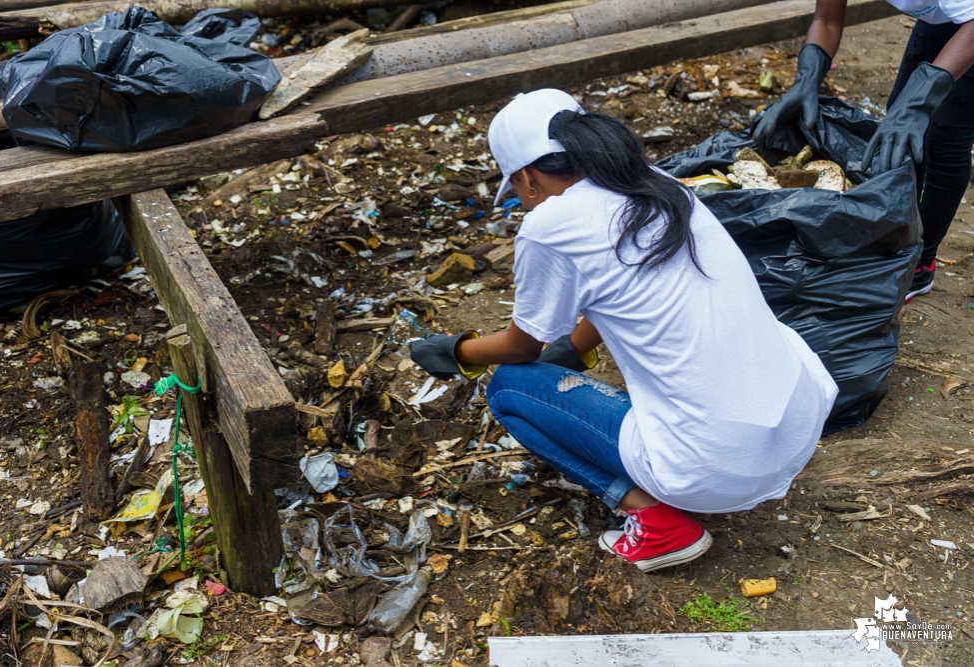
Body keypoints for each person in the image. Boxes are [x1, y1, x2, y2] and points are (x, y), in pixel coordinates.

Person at [409, 89, 839, 572]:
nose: (522, 200)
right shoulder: (654, 183)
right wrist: (575, 349)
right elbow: (617, 284)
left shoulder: (550, 225)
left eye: (515, 189)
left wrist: (459, 350)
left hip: (718, 463)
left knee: (510, 389)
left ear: (527, 177)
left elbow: (521, 346)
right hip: (800, 421)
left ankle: (658, 523)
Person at [753, 0, 974, 302]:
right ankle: (900, 243)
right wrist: (807, 78)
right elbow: (827, 19)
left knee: (945, 139)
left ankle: (922, 263)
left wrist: (922, 100)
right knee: (900, 119)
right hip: (948, 17)